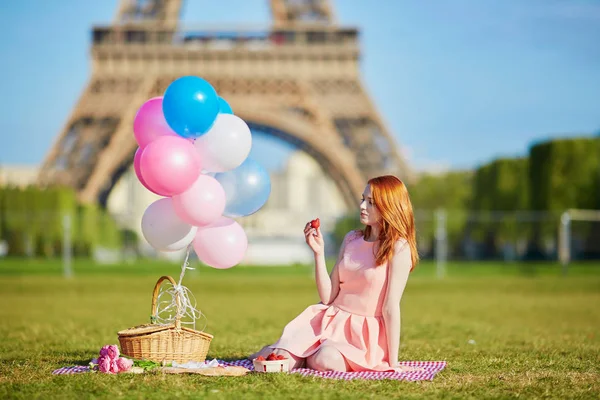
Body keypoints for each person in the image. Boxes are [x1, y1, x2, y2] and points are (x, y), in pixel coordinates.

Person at [249, 175, 419, 372]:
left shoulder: (399, 248)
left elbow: (390, 307)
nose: (363, 206)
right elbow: (328, 297)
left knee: (326, 360)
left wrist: (393, 362)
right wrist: (318, 253)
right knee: (277, 361)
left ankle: (304, 352)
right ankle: (293, 350)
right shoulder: (351, 239)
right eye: (363, 199)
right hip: (329, 321)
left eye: (371, 202)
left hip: (361, 335)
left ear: (390, 206)